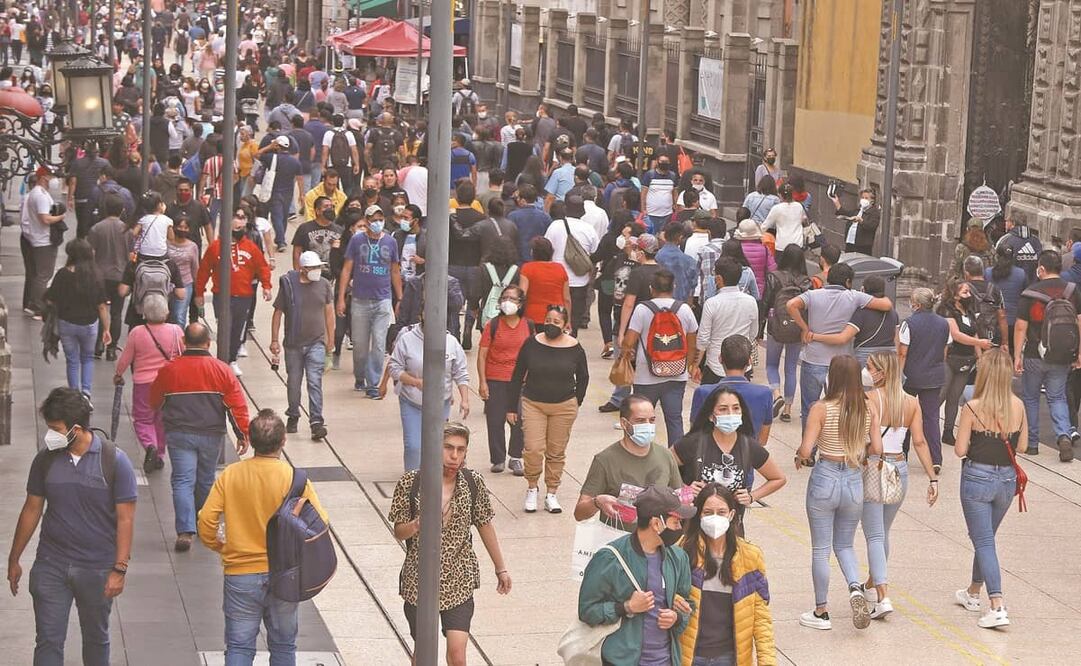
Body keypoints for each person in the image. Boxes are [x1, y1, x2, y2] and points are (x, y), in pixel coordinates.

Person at [6, 388, 137, 666]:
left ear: (75, 429)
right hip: (51, 564)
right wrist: (14, 557)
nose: (50, 435)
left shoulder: (114, 461)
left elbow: (126, 518)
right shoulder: (45, 459)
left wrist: (119, 569)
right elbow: (32, 508)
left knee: (95, 638)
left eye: (55, 429)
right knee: (48, 640)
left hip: (97, 568)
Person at [197, 408, 328, 665]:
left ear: (251, 440)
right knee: (283, 646)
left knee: (239, 646)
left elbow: (206, 520)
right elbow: (321, 522)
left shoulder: (231, 475)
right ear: (283, 441)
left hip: (240, 573)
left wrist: (219, 545)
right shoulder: (294, 478)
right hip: (284, 573)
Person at [389, 422, 512, 665]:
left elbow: (484, 523)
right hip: (419, 582)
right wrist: (415, 525)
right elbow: (398, 531)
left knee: (457, 654)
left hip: (459, 579)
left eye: (460, 450)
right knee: (423, 652)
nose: (454, 456)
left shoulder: (472, 482)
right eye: (448, 448)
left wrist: (501, 567)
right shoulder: (410, 482)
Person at [794, 355, 883, 631]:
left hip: (826, 476)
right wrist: (860, 453)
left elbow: (807, 450)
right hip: (854, 478)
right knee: (844, 544)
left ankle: (821, 611)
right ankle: (855, 588)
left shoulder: (821, 408)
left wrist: (800, 456)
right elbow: (877, 448)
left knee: (821, 549)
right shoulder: (868, 408)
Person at [150, 322, 251, 552]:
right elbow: (236, 405)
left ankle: (185, 531)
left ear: (184, 342)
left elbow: (155, 401)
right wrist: (242, 433)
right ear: (208, 343)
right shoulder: (222, 370)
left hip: (179, 433)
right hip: (210, 434)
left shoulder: (169, 370)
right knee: (205, 480)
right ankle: (205, 525)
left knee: (182, 480)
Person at [859, 351, 939, 618]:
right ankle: (872, 581)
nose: (866, 369)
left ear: (881, 372)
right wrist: (932, 477)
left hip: (874, 466)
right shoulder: (911, 402)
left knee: (874, 534)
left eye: (870, 366)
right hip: (899, 467)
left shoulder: (869, 399)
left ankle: (882, 595)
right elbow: (919, 442)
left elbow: (863, 439)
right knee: (883, 530)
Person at [577, 484, 694, 666]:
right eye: (676, 521)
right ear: (656, 523)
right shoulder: (610, 558)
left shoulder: (678, 558)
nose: (680, 527)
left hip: (667, 661)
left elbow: (687, 604)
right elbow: (587, 610)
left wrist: (677, 617)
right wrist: (626, 607)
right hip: (622, 661)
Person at [953, 349, 1025, 629]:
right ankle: (972, 591)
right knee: (987, 539)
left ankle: (996, 602)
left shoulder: (973, 406)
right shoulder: (1017, 405)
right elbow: (1021, 446)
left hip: (977, 476)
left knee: (983, 541)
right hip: (1007, 480)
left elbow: (959, 449)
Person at [786, 262, 893, 429]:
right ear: (849, 282)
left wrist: (805, 328)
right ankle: (832, 446)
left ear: (828, 278)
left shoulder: (812, 295)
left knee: (809, 408)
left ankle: (809, 449)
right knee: (839, 409)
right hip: (841, 363)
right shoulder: (854, 296)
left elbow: (791, 305)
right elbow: (886, 304)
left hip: (813, 359)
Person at [678, 484, 775, 665]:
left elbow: (761, 617)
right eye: (708, 512)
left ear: (731, 515)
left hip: (730, 657)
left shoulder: (750, 556)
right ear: (698, 515)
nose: (715, 517)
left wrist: (767, 661)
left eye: (721, 512)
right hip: (690, 657)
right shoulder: (682, 552)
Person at [508, 304, 589, 513]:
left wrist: (575, 402)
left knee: (556, 452)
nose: (551, 325)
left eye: (556, 322)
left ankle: (551, 492)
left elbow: (583, 377)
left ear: (565, 325)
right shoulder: (531, 344)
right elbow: (517, 374)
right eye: (548, 320)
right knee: (533, 449)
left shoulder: (575, 347)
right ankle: (532, 488)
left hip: (564, 406)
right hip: (533, 402)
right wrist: (511, 407)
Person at [573, 395, 683, 530]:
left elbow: (679, 498)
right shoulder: (605, 460)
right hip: (619, 541)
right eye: (640, 421)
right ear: (624, 423)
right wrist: (596, 502)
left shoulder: (665, 456)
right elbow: (579, 513)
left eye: (652, 420)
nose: (647, 425)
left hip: (657, 540)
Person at [1013, 249, 1081, 461]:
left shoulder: (1030, 293)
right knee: (1057, 396)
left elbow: (1020, 327)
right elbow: (1079, 323)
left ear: (1041, 269)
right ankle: (1063, 435)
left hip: (1035, 353)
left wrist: (1017, 356)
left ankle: (1032, 444)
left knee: (1031, 398)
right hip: (1062, 354)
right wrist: (1079, 351)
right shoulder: (1072, 291)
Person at [674, 385, 787, 511]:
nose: (730, 414)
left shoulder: (748, 446)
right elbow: (662, 467)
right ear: (711, 415)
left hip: (731, 523)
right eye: (723, 409)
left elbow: (778, 478)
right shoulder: (693, 443)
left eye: (736, 408)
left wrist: (752, 496)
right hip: (695, 522)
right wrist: (684, 489)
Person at [622, 270, 699, 446]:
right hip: (676, 373)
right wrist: (688, 366)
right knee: (674, 420)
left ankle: (639, 454)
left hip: (646, 375)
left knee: (641, 420)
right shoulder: (684, 309)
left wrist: (628, 355)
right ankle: (676, 463)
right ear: (674, 287)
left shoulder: (642, 309)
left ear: (651, 288)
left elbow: (628, 342)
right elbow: (692, 342)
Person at [387, 315, 471, 471]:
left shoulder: (451, 342)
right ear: (421, 315)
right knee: (414, 446)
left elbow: (460, 372)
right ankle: (412, 482)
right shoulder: (406, 339)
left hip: (440, 404)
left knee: (437, 444)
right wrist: (415, 382)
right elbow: (394, 368)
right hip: (412, 402)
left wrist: (464, 399)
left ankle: (436, 480)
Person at [194, 209, 273, 376]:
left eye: (243, 220)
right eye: (236, 219)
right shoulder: (216, 247)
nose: (239, 224)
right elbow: (203, 271)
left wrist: (267, 286)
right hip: (221, 297)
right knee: (225, 328)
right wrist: (199, 293)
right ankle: (224, 361)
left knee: (238, 330)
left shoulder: (251, 247)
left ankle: (231, 360)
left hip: (244, 297)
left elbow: (262, 267)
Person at [113, 292, 184, 473]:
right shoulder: (176, 331)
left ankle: (149, 445)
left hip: (144, 384)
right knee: (162, 420)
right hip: (169, 383)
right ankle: (159, 454)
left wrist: (118, 374)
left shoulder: (137, 333)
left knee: (143, 419)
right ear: (167, 312)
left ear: (144, 313)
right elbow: (184, 355)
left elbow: (125, 358)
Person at [338, 205, 403, 396]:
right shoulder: (357, 241)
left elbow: (395, 270)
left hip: (383, 299)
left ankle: (373, 383)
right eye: (373, 220)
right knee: (359, 344)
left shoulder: (390, 242)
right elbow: (347, 269)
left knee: (379, 344)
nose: (377, 223)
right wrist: (341, 298)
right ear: (366, 221)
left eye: (380, 219)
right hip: (360, 300)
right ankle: (360, 375)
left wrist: (399, 298)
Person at [270, 252, 335, 441]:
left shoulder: (324, 285)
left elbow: (329, 313)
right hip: (293, 345)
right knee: (294, 382)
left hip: (316, 343)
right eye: (313, 268)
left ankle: (316, 421)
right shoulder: (289, 286)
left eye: (318, 267)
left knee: (315, 382)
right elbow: (278, 313)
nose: (317, 271)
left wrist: (330, 340)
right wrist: (274, 340)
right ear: (303, 269)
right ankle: (293, 413)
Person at [45, 239, 110, 403]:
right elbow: (102, 307)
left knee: (72, 360)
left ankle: (74, 394)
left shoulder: (62, 274)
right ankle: (86, 393)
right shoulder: (95, 275)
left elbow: (51, 300)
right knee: (87, 358)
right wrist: (107, 329)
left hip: (67, 323)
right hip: (89, 324)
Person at [478, 285, 532, 475]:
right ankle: (498, 458)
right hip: (495, 379)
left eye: (513, 298)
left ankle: (516, 457)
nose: (507, 302)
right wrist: (483, 382)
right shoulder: (492, 325)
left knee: (521, 419)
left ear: (521, 303)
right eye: (504, 297)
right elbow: (482, 355)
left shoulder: (528, 325)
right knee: (495, 420)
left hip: (521, 381)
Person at [934, 279, 993, 448]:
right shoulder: (946, 311)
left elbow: (973, 333)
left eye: (968, 292)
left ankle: (948, 431)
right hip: (949, 357)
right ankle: (924, 424)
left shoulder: (968, 310)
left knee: (954, 397)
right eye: (965, 292)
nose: (969, 295)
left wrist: (979, 355)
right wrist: (981, 343)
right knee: (941, 395)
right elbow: (956, 334)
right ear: (955, 295)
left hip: (966, 358)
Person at [898, 287, 951, 467]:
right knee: (931, 418)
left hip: (911, 375)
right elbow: (945, 350)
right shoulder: (944, 324)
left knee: (905, 415)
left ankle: (901, 452)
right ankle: (935, 458)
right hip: (934, 375)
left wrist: (899, 375)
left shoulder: (909, 323)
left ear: (917, 304)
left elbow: (903, 353)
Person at [690, 336, 776, 444]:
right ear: (749, 361)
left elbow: (695, 436)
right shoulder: (765, 394)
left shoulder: (703, 392)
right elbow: (762, 441)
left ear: (720, 359)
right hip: (750, 456)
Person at [763, 245, 811, 423]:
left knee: (771, 365)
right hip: (797, 327)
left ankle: (776, 394)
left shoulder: (774, 277)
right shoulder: (807, 281)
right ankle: (788, 410)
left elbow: (767, 301)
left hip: (776, 325)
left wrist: (761, 326)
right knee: (791, 367)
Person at [695, 258, 758, 386]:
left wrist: (696, 365)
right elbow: (753, 334)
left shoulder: (712, 303)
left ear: (719, 279)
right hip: (742, 366)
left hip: (716, 366)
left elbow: (703, 339)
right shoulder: (751, 301)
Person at [545, 195, 600, 334]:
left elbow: (546, 248)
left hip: (556, 279)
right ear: (582, 212)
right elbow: (595, 253)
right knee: (574, 318)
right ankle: (571, 339)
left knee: (554, 316)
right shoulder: (589, 229)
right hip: (579, 282)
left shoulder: (555, 226)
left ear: (565, 209)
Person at [87, 194, 130, 360]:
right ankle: (112, 348)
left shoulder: (96, 228)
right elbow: (131, 254)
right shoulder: (127, 230)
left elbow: (91, 254)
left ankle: (98, 344)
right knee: (117, 313)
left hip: (100, 276)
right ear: (122, 210)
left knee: (100, 309)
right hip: (120, 276)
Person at [20, 165, 64, 319]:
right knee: (43, 275)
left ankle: (34, 303)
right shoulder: (40, 195)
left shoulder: (38, 193)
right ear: (44, 178)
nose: (54, 180)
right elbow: (45, 218)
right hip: (43, 241)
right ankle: (39, 307)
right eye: (52, 177)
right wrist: (60, 218)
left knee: (40, 274)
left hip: (38, 238)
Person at [519, 236, 571, 325]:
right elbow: (566, 298)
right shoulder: (560, 268)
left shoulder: (527, 268)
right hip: (557, 317)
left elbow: (522, 294)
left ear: (533, 252)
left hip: (532, 316)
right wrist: (568, 320)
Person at [166, 215, 200, 326]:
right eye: (180, 226)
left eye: (185, 227)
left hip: (185, 283)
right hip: (166, 283)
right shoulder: (166, 244)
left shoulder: (192, 246)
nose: (182, 230)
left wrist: (198, 289)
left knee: (179, 316)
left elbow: (195, 268)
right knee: (166, 315)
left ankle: (179, 341)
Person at [655, 222, 698, 303]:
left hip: (657, 304)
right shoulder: (689, 261)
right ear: (680, 237)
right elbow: (692, 285)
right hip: (680, 305)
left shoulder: (656, 257)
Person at [508, 184, 551, 263]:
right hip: (539, 260)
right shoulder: (545, 217)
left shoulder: (513, 216)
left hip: (518, 260)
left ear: (523, 200)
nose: (517, 200)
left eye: (518, 198)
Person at [831, 188, 880, 255]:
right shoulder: (857, 210)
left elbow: (872, 226)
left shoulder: (874, 213)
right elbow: (846, 213)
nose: (864, 199)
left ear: (872, 201)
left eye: (866, 198)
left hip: (862, 246)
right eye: (862, 197)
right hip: (850, 242)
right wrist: (837, 203)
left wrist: (861, 220)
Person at [762, 182, 807, 253]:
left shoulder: (777, 208)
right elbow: (803, 219)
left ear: (780, 195)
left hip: (782, 245)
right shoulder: (799, 206)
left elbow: (765, 226)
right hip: (797, 243)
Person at [995, 216, 1042, 283]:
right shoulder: (1036, 240)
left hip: (1011, 284)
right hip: (1032, 286)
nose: (1005, 223)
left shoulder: (1005, 240)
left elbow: (996, 261)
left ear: (1012, 223)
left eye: (1006, 221)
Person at [640, 155, 678, 232]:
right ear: (657, 162)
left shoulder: (673, 176)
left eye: (666, 162)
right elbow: (643, 193)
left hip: (667, 214)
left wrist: (676, 207)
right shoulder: (649, 175)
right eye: (662, 162)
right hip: (651, 214)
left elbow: (675, 193)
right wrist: (643, 209)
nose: (664, 164)